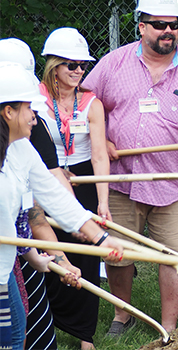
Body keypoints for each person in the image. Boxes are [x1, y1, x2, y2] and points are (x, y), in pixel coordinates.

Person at [81, 0, 178, 335]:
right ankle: (122, 314)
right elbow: (84, 102)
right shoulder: (113, 64)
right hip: (122, 180)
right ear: (141, 26)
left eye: (173, 24)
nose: (168, 31)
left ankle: (169, 326)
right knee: (119, 253)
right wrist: (104, 137)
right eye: (159, 24)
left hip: (173, 184)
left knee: (174, 256)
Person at [0, 62, 124, 350]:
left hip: (6, 269)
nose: (35, 117)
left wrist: (101, 238)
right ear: (8, 112)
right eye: (29, 109)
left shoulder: (21, 149)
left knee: (17, 335)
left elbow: (55, 197)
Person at [0, 37, 82, 350]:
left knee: (22, 325)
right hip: (9, 258)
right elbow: (30, 214)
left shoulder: (25, 138)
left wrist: (51, 259)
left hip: (16, 255)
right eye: (27, 106)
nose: (34, 115)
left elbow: (33, 210)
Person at [37, 27, 108, 349]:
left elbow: (98, 154)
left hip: (84, 180)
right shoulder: (34, 99)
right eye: (72, 65)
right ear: (54, 66)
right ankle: (46, 322)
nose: (79, 70)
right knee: (48, 251)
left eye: (83, 65)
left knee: (88, 257)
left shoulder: (92, 103)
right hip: (45, 178)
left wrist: (103, 202)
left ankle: (84, 334)